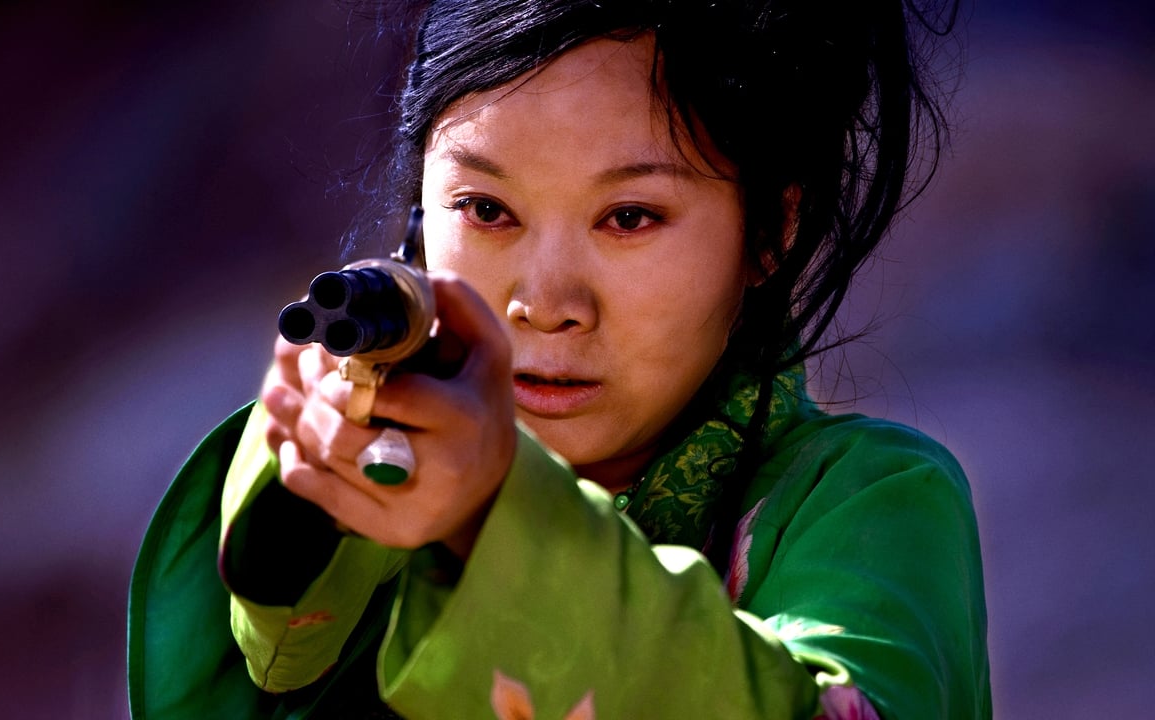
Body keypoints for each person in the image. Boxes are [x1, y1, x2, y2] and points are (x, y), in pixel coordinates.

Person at [128, 0, 990, 718]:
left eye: (629, 218)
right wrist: (312, 477)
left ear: (770, 231)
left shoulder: (873, 501)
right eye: (486, 208)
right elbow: (276, 649)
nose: (544, 304)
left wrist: (494, 516)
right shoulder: (389, 432)